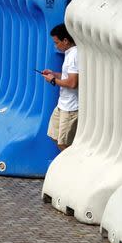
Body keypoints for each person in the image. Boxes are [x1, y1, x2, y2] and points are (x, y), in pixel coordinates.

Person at [42, 23, 79, 151]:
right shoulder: (69, 53)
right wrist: (54, 74)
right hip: (62, 105)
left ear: (65, 40)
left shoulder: (74, 55)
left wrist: (53, 80)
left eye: (56, 42)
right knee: (54, 135)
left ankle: (72, 167)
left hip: (70, 108)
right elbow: (67, 76)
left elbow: (73, 83)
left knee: (64, 143)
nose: (55, 46)